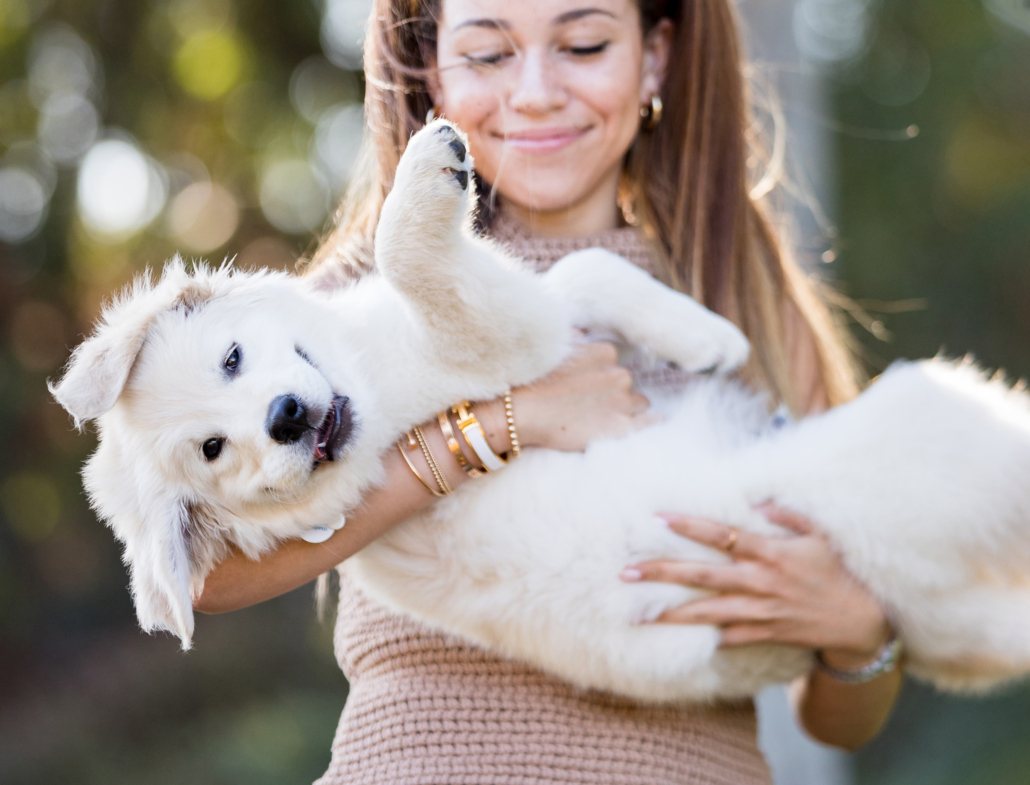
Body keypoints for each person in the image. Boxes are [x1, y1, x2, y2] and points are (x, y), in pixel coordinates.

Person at [195, 0, 903, 781]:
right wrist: (502, 424)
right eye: (489, 55)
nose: (534, 91)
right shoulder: (359, 297)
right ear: (431, 70)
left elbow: (840, 722)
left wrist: (860, 630)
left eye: (583, 43)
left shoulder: (747, 304)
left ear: (655, 57)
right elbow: (203, 568)